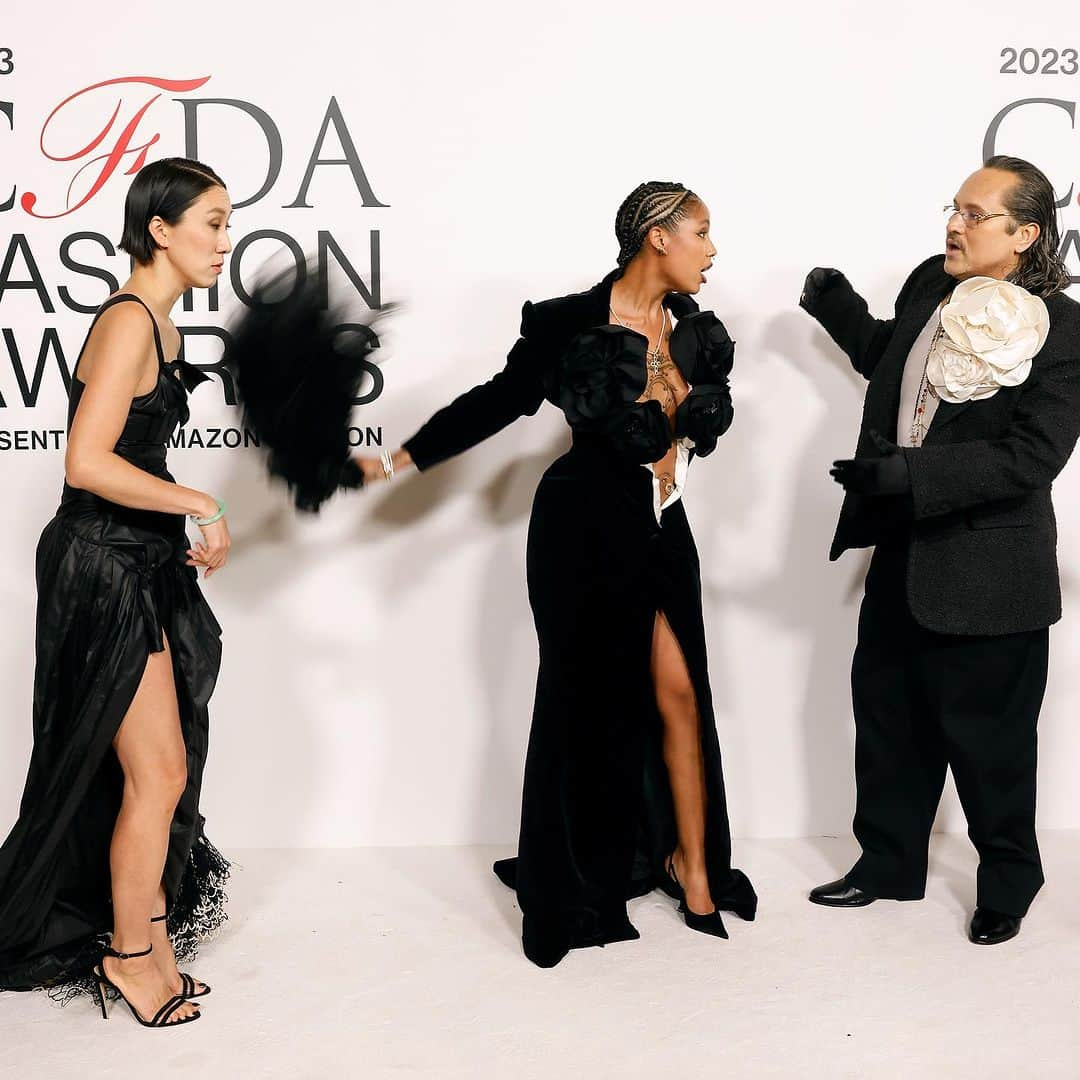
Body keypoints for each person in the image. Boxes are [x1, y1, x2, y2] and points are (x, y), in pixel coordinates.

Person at [356, 181, 756, 967]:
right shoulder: (566, 323)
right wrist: (400, 459)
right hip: (581, 529)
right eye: (702, 233)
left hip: (663, 525)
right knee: (586, 704)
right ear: (658, 238)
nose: (714, 250)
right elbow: (499, 400)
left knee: (680, 691)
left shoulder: (692, 328)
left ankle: (695, 868)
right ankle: (581, 875)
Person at [800, 155, 1080, 945]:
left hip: (993, 573)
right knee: (888, 721)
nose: (954, 224)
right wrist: (839, 311)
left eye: (974, 214)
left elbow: (1033, 456)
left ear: (1024, 233)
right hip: (901, 552)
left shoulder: (1066, 330)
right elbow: (899, 362)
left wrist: (909, 474)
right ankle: (887, 865)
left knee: (993, 748)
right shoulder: (932, 280)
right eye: (952, 208)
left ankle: (1008, 886)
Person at [0, 158, 233, 1024]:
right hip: (100, 563)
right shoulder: (133, 320)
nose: (224, 241)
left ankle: (150, 941)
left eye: (228, 222)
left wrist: (180, 524)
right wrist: (199, 502)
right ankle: (129, 960)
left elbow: (131, 462)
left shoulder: (163, 328)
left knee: (157, 769)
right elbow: (86, 463)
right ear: (160, 229)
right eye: (210, 222)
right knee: (157, 769)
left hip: (137, 556)